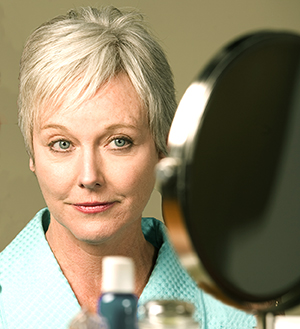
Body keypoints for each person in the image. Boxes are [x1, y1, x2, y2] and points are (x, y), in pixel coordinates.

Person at [0, 6, 256, 329]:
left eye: (119, 141)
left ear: (164, 148)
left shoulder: (240, 311)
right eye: (62, 144)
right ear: (33, 153)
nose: (89, 176)